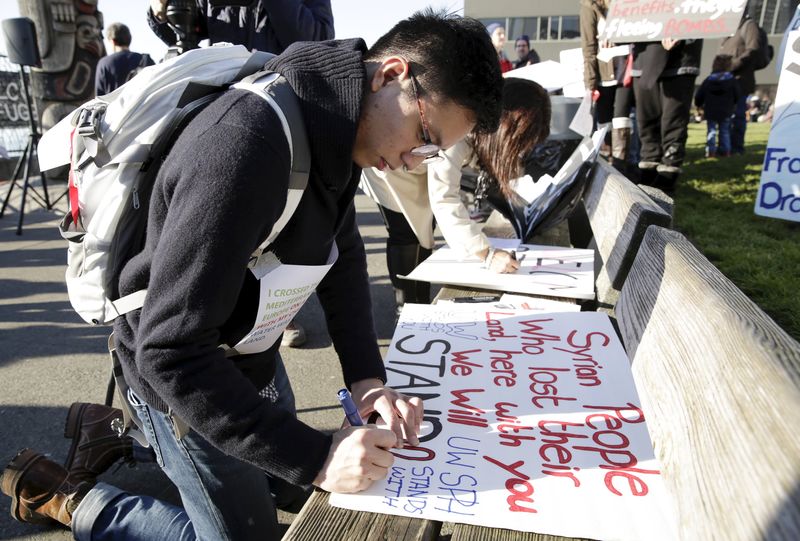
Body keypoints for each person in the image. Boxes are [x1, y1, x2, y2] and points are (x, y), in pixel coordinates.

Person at [0, 10, 503, 540]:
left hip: (250, 353)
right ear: (391, 73)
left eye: (432, 152)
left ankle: (115, 438)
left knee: (291, 482)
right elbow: (171, 353)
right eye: (423, 136)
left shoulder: (339, 124)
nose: (411, 162)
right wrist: (318, 457)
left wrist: (367, 381)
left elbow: (343, 249)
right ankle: (75, 500)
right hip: (185, 383)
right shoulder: (248, 141)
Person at [150, 0, 335, 347]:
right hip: (223, 105)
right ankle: (207, 315)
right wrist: (161, 13)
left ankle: (276, 315)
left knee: (285, 222)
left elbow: (318, 38)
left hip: (286, 109)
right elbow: (186, 34)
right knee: (217, 221)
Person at [360, 78, 551, 314]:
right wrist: (487, 254)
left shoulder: (479, 124)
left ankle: (418, 306)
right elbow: (444, 197)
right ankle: (407, 309)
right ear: (507, 126)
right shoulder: (459, 126)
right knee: (406, 234)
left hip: (417, 163)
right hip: (388, 166)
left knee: (423, 233)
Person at [631, 37, 702, 192]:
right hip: (644, 57)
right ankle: (649, 166)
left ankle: (669, 170)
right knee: (646, 119)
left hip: (680, 58)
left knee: (673, 119)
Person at [147, 0, 334, 53]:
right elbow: (184, 41)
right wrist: (161, 13)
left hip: (283, 97)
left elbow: (319, 41)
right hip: (219, 94)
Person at [579, 0, 634, 176]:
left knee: (622, 119)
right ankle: (606, 167)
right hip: (604, 75)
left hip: (626, 71)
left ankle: (620, 169)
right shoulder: (589, 7)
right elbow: (588, 48)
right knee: (604, 123)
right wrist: (590, 82)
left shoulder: (628, 5)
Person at [718, 10, 761, 155]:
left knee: (737, 116)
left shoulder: (749, 25)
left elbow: (753, 49)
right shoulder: (731, 28)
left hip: (740, 80)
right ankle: (725, 147)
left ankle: (736, 148)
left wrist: (734, 65)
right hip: (726, 79)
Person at [694, 54, 741, 158]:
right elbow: (737, 95)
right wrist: (734, 103)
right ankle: (725, 151)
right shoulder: (732, 80)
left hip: (711, 110)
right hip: (726, 110)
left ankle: (711, 152)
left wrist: (698, 104)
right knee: (724, 131)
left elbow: (699, 95)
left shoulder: (708, 80)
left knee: (711, 131)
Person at [94, 23, 155, 96]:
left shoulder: (104, 63)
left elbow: (99, 96)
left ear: (113, 41)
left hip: (113, 106)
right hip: (142, 106)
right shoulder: (145, 59)